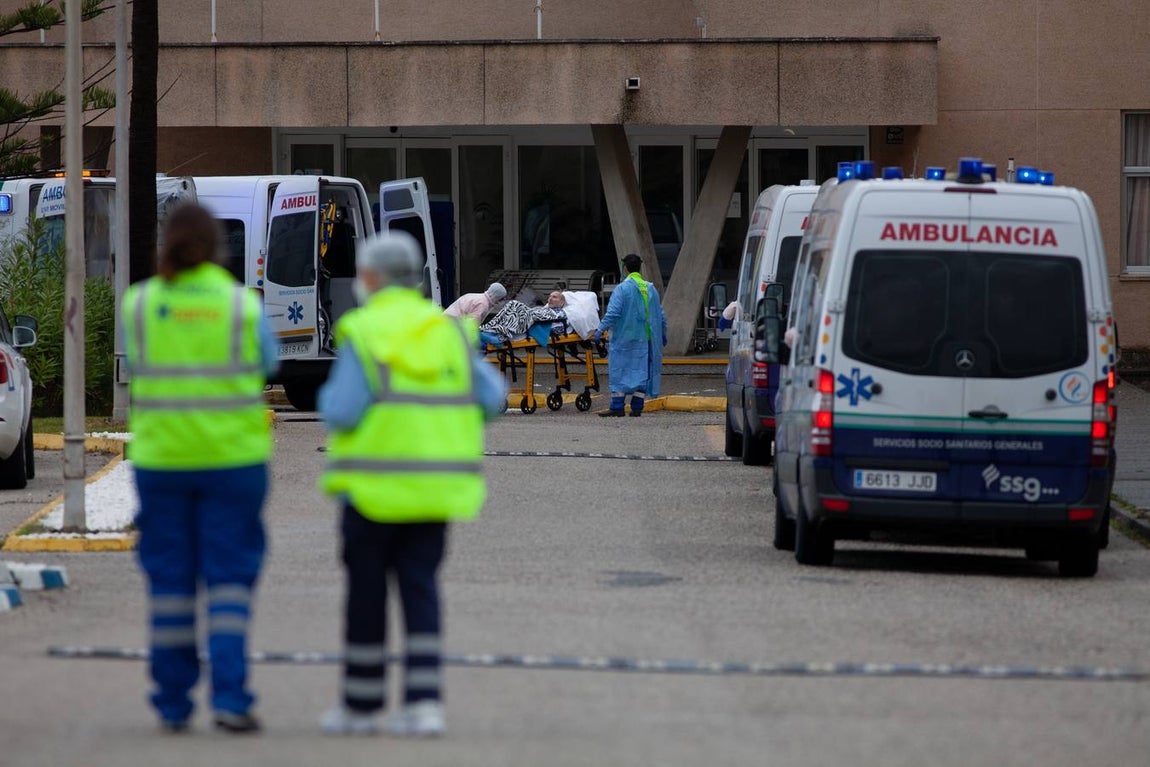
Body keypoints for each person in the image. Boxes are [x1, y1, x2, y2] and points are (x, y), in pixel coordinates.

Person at [317, 231, 507, 737]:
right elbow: (492, 398)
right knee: (420, 590)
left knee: (367, 595)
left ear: (373, 278)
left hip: (371, 494)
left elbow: (339, 409)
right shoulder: (445, 332)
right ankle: (424, 704)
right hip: (433, 493)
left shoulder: (363, 330)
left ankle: (360, 707)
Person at [122, 203, 277, 734]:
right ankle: (230, 697)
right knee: (229, 580)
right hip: (233, 462)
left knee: (170, 579)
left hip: (162, 461)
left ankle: (171, 701)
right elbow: (268, 362)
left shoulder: (140, 303)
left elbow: (137, 363)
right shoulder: (241, 306)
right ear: (217, 246)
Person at [593, 253, 667, 417]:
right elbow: (660, 314)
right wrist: (663, 333)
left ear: (625, 268)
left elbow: (613, 313)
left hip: (625, 338)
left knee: (620, 371)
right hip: (647, 339)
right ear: (639, 267)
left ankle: (617, 406)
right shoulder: (650, 288)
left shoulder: (622, 289)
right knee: (642, 371)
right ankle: (637, 408)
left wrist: (600, 329)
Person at [442, 281, 507, 322]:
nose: (501, 301)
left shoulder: (477, 297)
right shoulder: (483, 304)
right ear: (496, 296)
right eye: (501, 299)